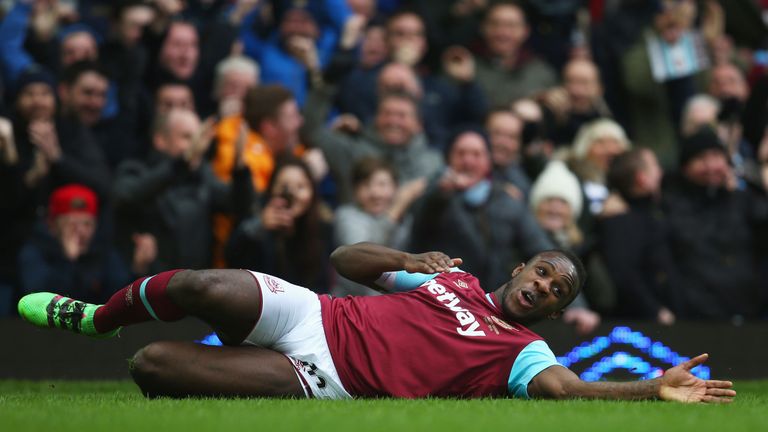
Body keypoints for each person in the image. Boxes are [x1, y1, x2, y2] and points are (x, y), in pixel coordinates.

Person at [17, 242, 735, 402]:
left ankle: (129, 343)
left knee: (153, 369)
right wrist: (408, 257)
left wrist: (649, 388)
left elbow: (565, 392)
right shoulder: (448, 276)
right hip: (319, 311)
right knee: (203, 283)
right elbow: (346, 258)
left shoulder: (522, 348)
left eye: (557, 289)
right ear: (519, 269)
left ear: (551, 309)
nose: (543, 287)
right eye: (542, 271)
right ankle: (98, 319)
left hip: (326, 375)